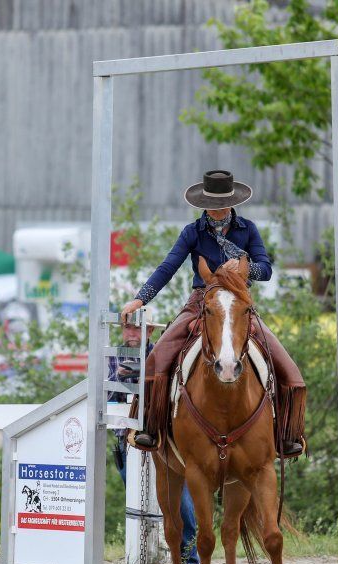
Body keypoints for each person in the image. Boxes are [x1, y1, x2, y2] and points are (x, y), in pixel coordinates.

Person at [120, 170, 306, 457]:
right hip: (201, 302)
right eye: (212, 204)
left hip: (240, 304)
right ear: (203, 204)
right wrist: (139, 299)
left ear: (232, 202)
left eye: (223, 204)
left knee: (288, 366)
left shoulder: (248, 229)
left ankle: (287, 434)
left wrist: (243, 267)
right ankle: (149, 428)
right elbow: (167, 268)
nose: (218, 211)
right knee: (158, 357)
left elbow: (265, 269)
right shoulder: (192, 232)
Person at [107, 313, 199, 564]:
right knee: (136, 502)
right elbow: (110, 391)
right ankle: (140, 560)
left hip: (166, 439)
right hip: (127, 439)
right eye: (128, 328)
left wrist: (136, 376)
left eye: (138, 328)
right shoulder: (113, 356)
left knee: (181, 504)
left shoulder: (163, 355)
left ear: (148, 332)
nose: (132, 333)